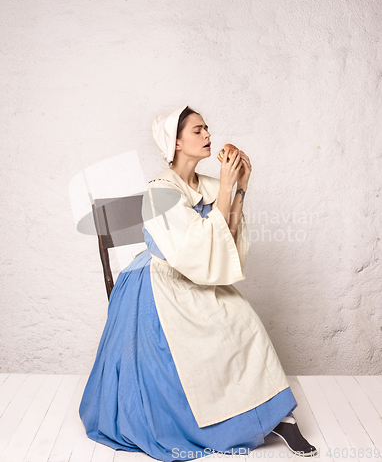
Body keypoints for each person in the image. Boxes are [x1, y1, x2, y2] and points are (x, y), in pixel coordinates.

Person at [79, 105, 317, 460]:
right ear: (176, 143)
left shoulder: (207, 184)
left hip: (199, 274)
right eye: (197, 131)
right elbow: (194, 248)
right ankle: (212, 421)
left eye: (207, 129)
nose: (208, 135)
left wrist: (240, 188)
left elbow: (226, 240)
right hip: (160, 281)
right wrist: (225, 184)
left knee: (242, 319)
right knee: (203, 331)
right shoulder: (160, 189)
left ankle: (278, 417)